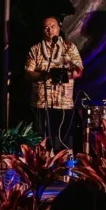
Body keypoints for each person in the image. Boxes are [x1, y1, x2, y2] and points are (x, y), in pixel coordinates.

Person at [25, 16, 83, 152]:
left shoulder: (69, 48)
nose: (49, 30)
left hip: (63, 102)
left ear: (59, 28)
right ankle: (42, 169)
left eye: (53, 26)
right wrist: (45, 75)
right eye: (46, 27)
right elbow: (28, 74)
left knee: (63, 140)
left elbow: (79, 72)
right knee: (41, 139)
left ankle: (64, 168)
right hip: (42, 102)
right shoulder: (35, 49)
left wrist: (68, 72)